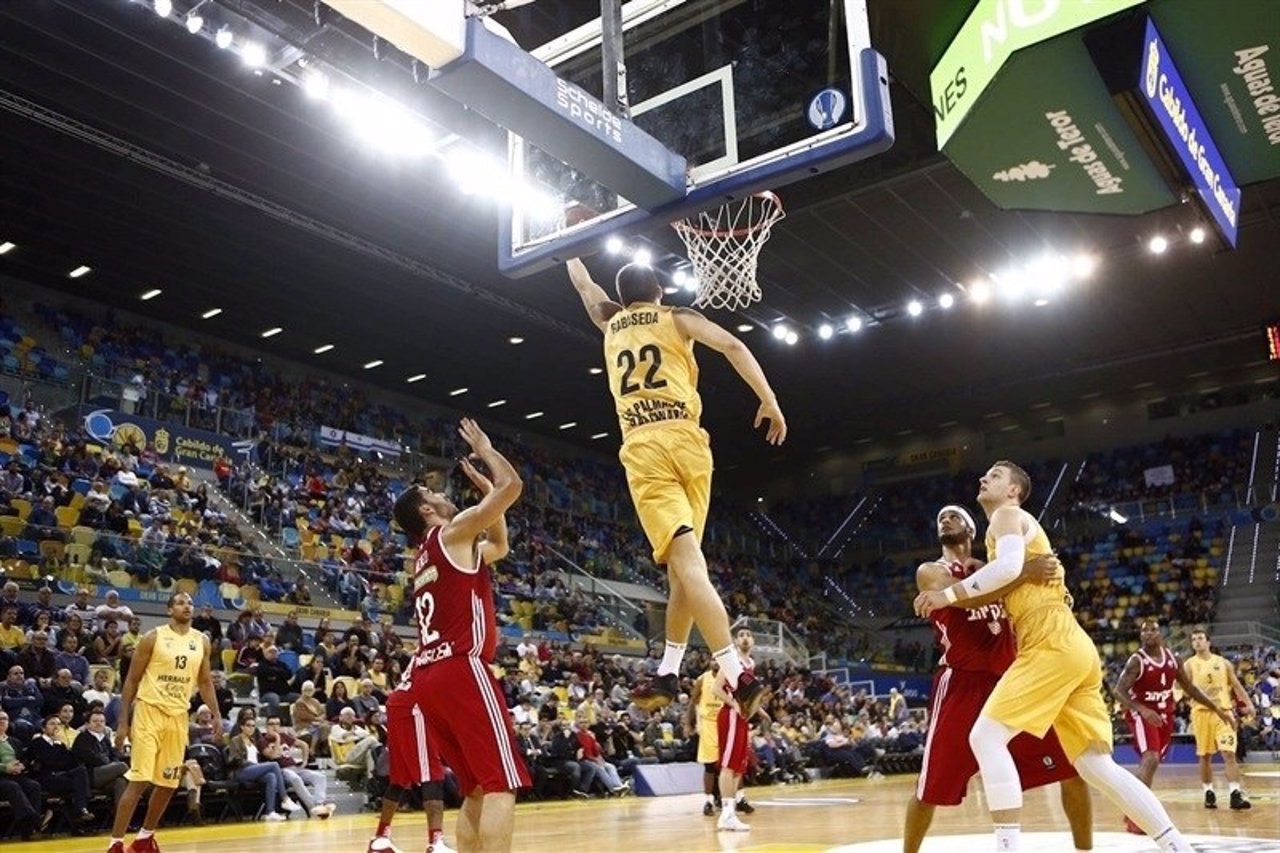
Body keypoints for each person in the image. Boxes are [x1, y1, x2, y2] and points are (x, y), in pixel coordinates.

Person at [915, 461, 1192, 853]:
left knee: (986, 736)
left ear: (1014, 490)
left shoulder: (1007, 515)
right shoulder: (1007, 533)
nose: (983, 479)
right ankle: (1178, 847)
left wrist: (947, 596)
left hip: (1049, 643)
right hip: (1074, 647)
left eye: (994, 476)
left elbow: (1010, 569)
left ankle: (1007, 848)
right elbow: (1011, 573)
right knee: (1095, 767)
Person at [566, 258, 785, 717]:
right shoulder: (678, 318)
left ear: (623, 298)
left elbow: (585, 286)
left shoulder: (609, 320)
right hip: (690, 443)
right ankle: (668, 671)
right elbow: (733, 346)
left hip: (646, 447)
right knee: (683, 570)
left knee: (687, 565)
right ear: (660, 291)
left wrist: (570, 246)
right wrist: (769, 401)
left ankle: (738, 675)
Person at [904, 505, 1092, 853]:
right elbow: (969, 596)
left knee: (1071, 769)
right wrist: (1022, 573)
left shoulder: (994, 569)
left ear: (972, 530)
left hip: (1011, 680)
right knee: (928, 789)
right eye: (940, 518)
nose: (945, 520)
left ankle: (1085, 849)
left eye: (954, 516)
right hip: (960, 683)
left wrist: (1015, 573)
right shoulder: (931, 571)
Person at [390, 419, 529, 851]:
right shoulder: (451, 533)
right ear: (426, 512)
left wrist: (489, 498)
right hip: (461, 668)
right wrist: (487, 451)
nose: (443, 495)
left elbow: (499, 547)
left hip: (429, 679)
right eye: (434, 495)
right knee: (502, 783)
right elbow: (514, 485)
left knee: (475, 789)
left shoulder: (425, 557)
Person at [108, 592, 222, 853]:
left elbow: (204, 682)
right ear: (170, 610)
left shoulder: (202, 641)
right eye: (181, 603)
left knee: (168, 783)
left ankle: (144, 838)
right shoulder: (153, 637)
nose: (187, 606)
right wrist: (123, 722)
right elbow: (131, 681)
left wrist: (216, 714)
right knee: (139, 781)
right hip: (149, 712)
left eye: (190, 603)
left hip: (178, 717)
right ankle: (115, 844)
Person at [1113, 618, 1233, 833]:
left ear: (1161, 634)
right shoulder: (1136, 661)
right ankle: (1136, 816)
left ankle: (1130, 808)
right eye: (1145, 631)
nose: (1149, 633)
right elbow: (1119, 691)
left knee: (1152, 763)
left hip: (1164, 715)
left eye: (1153, 630)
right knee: (1151, 758)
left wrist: (1218, 709)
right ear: (1141, 636)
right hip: (1142, 713)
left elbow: (1192, 689)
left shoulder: (1174, 660)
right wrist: (1142, 709)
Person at [1183, 626, 1256, 810]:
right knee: (1205, 756)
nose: (1197, 641)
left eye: (1200, 638)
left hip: (1224, 713)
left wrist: (1249, 704)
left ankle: (1235, 793)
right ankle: (1208, 791)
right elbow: (1182, 690)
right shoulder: (1189, 665)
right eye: (1194, 639)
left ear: (1208, 642)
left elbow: (1237, 686)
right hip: (1201, 714)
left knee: (1229, 753)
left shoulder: (1223, 663)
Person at [711, 628, 763, 833]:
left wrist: (759, 710)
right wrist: (733, 703)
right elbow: (716, 688)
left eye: (749, 634)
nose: (745, 637)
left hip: (742, 718)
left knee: (738, 768)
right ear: (734, 640)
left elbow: (748, 695)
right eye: (741, 634)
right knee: (728, 765)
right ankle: (726, 814)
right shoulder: (732, 660)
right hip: (730, 716)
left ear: (754, 641)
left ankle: (730, 813)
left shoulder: (751, 664)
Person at [687, 660, 724, 817]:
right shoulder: (703, 679)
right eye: (713, 658)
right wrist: (689, 724)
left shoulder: (729, 678)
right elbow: (693, 701)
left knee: (725, 766)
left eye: (718, 659)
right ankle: (708, 801)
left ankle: (724, 797)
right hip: (708, 725)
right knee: (710, 766)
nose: (715, 662)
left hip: (725, 724)